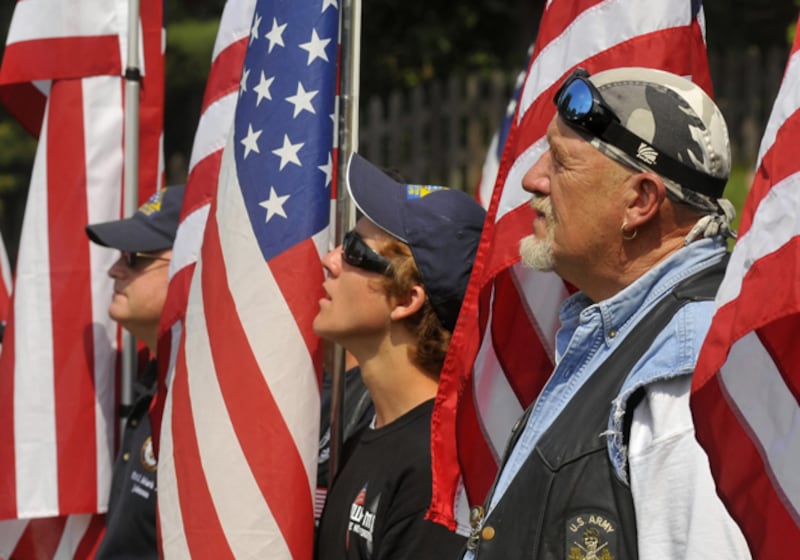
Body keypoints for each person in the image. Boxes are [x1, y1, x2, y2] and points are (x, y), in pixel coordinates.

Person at [463, 67, 751, 558]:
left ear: (639, 201)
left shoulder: (681, 377)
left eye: (559, 162)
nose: (532, 180)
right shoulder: (624, 331)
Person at [314, 153, 486, 559]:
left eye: (354, 251)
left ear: (407, 299)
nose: (329, 259)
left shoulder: (435, 470)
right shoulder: (362, 428)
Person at [85, 184, 185, 559]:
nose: (115, 270)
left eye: (134, 257)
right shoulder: (157, 379)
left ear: (189, 265)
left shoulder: (212, 400)